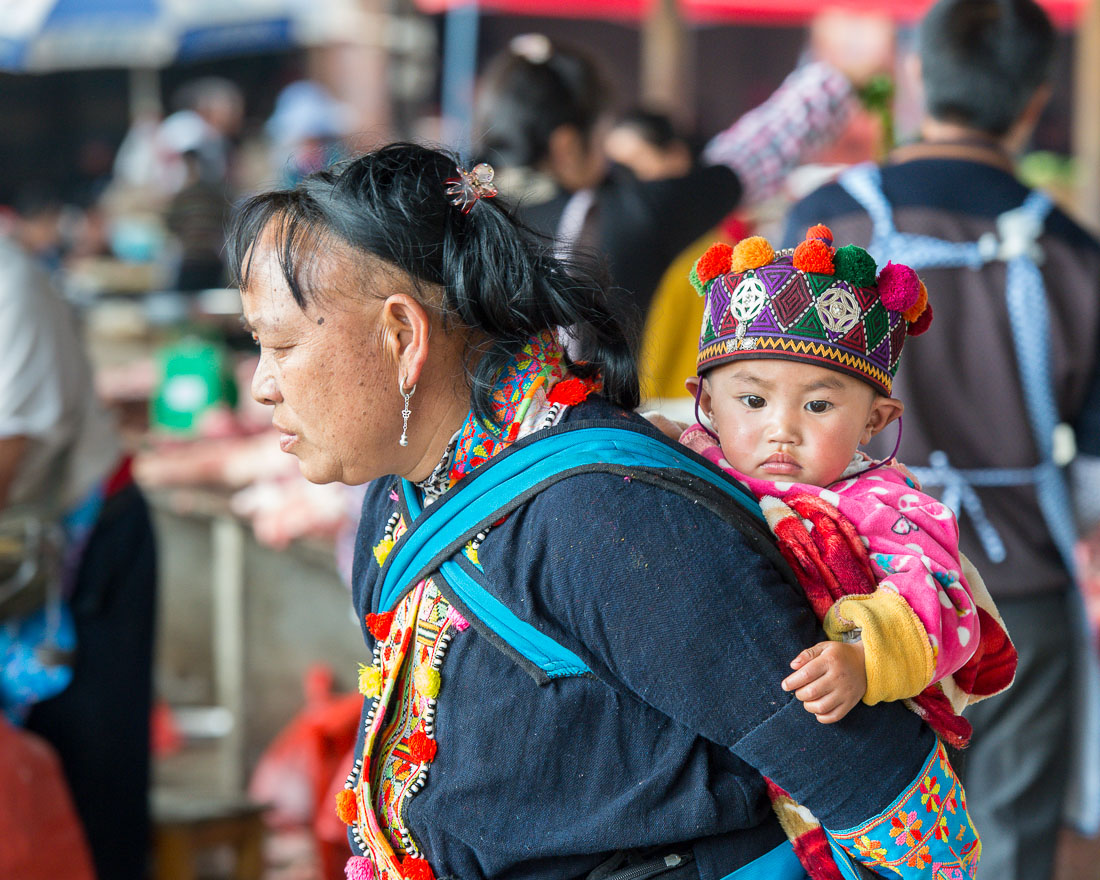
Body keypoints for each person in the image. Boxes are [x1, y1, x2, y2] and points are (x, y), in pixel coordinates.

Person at [229, 142, 980, 880]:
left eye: (281, 344)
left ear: (402, 335)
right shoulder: (401, 499)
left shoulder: (604, 520)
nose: (263, 385)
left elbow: (884, 791)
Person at [782, 2, 1100, 877]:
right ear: (1036, 101)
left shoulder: (821, 224)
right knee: (1011, 844)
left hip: (846, 594)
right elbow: (1096, 473)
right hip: (1020, 591)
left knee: (863, 840)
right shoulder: (1074, 250)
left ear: (918, 74)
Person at [678, 228, 1014, 731]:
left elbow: (942, 606)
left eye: (818, 405)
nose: (782, 430)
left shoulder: (885, 508)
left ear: (874, 422)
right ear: (706, 405)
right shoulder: (683, 461)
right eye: (753, 401)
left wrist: (862, 661)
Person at [473, 18, 891, 321]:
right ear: (566, 145)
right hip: (581, 439)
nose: (611, 163)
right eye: (601, 140)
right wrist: (842, 80)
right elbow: (753, 155)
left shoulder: (459, 210)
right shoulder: (618, 217)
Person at [0, 227, 157, 878]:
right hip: (19, 559)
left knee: (90, 784)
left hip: (89, 551)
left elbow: (8, 453)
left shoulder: (10, 285)